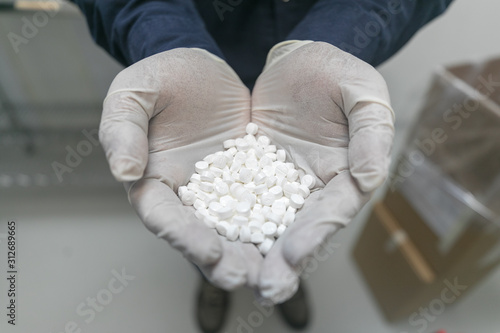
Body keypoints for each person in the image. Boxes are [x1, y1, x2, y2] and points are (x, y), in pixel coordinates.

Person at [69, 1, 453, 332]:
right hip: (190, 87)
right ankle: (211, 276)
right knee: (192, 223)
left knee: (306, 221)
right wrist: (166, 42)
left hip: (311, 95)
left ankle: (286, 270)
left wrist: (332, 43)